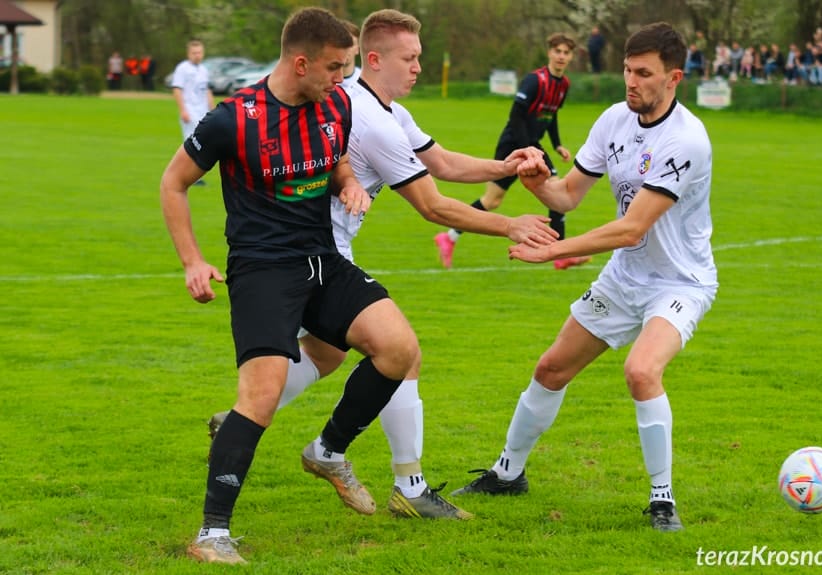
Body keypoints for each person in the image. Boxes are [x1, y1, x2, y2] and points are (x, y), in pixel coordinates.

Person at [207, 7, 557, 523]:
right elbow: (432, 204)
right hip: (307, 249)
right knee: (400, 355)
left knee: (327, 355)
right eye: (409, 58)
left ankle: (249, 421)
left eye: (420, 57)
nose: (419, 67)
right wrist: (510, 223)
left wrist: (505, 166)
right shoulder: (368, 119)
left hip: (323, 248)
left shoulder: (386, 109)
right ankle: (404, 484)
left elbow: (440, 162)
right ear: (373, 59)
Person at [161, 8, 421, 564]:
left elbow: (336, 163)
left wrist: (349, 183)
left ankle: (328, 451)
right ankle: (212, 534)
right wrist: (192, 261)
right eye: (335, 66)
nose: (343, 77)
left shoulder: (337, 104)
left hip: (322, 260)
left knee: (398, 348)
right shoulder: (234, 118)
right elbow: (173, 183)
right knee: (261, 393)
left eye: (348, 66)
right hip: (262, 270)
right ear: (300, 62)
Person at [451, 21, 718, 534]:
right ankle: (509, 473)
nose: (631, 81)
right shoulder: (614, 120)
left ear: (674, 78)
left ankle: (662, 499)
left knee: (641, 372)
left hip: (679, 282)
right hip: (625, 279)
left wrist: (552, 250)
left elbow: (631, 226)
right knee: (551, 369)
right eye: (626, 70)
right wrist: (535, 179)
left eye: (644, 73)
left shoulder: (687, 140)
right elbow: (566, 196)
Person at [434, 32, 591, 271]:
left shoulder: (563, 85)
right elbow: (516, 115)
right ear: (549, 52)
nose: (561, 56)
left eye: (566, 53)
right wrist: (527, 149)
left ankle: (450, 238)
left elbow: (551, 115)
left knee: (502, 199)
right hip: (514, 145)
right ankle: (560, 254)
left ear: (571, 57)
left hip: (531, 146)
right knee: (513, 197)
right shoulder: (535, 80)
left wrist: (557, 144)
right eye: (557, 51)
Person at [170, 40, 214, 185]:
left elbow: (206, 90)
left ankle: (195, 175)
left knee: (203, 143)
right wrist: (183, 109)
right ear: (189, 54)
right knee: (192, 144)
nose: (197, 55)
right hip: (190, 110)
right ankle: (191, 177)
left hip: (203, 111)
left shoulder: (203, 70)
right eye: (194, 53)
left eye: (200, 52)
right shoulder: (182, 69)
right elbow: (177, 89)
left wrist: (213, 109)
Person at [340, 19, 361, 88]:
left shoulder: (367, 82)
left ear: (358, 49)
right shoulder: (323, 81)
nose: (346, 49)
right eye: (342, 43)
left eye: (351, 44)